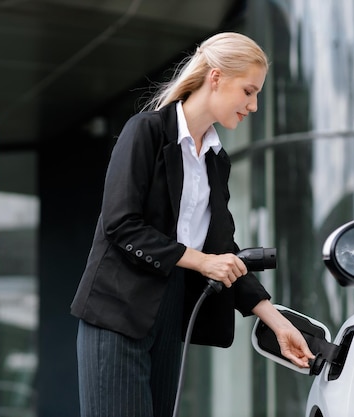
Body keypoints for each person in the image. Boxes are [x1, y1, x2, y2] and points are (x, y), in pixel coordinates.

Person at [70, 31, 314, 417]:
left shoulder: (216, 160)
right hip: (117, 315)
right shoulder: (146, 131)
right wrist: (201, 261)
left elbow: (224, 252)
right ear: (216, 78)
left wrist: (278, 322)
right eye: (248, 91)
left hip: (170, 319)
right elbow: (120, 224)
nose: (253, 106)